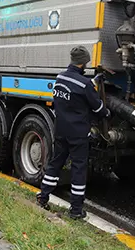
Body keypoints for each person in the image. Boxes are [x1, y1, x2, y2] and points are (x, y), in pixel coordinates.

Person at [36, 46, 111, 220]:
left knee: (55, 163)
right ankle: (76, 210)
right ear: (84, 62)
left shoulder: (60, 78)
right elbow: (97, 107)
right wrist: (106, 113)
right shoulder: (84, 84)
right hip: (78, 133)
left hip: (61, 130)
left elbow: (68, 96)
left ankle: (43, 196)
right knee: (78, 169)